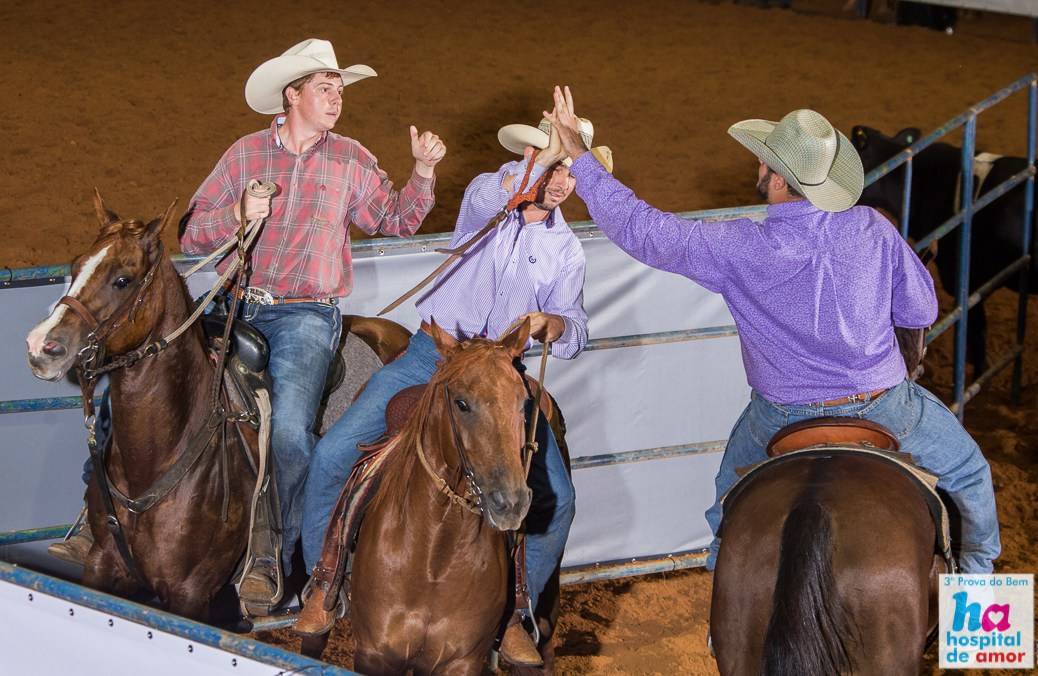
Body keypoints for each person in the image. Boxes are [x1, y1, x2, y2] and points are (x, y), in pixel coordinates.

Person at [545, 86, 1000, 574]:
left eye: (764, 160)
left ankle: (721, 583)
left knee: (726, 506)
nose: (758, 165)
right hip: (882, 403)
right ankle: (977, 588)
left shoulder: (739, 244)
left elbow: (645, 230)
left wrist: (580, 156)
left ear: (779, 179)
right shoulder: (871, 226)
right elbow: (920, 307)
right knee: (969, 473)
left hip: (781, 414)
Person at [300, 108, 608, 666]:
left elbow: (577, 329)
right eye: (553, 166)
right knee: (332, 455)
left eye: (571, 171)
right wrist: (532, 167)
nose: (562, 182)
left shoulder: (566, 249)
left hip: (501, 371)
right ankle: (324, 581)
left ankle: (515, 612)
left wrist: (555, 325)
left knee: (558, 502)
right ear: (530, 157)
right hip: (432, 357)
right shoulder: (488, 199)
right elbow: (491, 194)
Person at [177, 38, 446, 606]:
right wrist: (235, 214)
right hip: (234, 302)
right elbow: (191, 232)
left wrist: (422, 171)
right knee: (152, 387)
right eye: (325, 87)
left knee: (291, 433)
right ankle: (102, 518)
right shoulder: (245, 155)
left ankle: (273, 554)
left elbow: (394, 220)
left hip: (305, 314)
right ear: (292, 95)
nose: (336, 98)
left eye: (339, 89)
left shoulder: (350, 158)